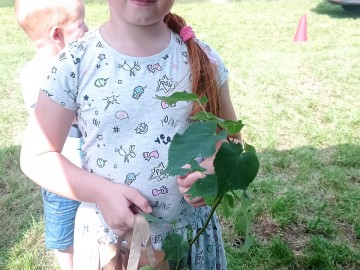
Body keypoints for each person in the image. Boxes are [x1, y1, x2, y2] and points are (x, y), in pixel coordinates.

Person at [20, 1, 239, 269]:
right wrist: (99, 192)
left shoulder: (204, 60)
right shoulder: (74, 64)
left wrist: (216, 169)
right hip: (112, 246)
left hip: (190, 242)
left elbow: (232, 139)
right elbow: (36, 156)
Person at [15, 0, 88, 269]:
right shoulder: (37, 76)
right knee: (63, 232)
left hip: (91, 171)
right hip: (62, 175)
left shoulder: (78, 66)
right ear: (57, 34)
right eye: (81, 25)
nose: (88, 30)